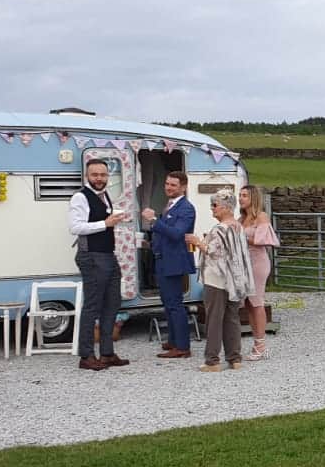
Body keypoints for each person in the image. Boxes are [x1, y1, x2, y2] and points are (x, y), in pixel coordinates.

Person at [68, 159, 130, 371]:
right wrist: (106, 223)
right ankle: (86, 355)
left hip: (107, 255)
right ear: (87, 176)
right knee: (92, 306)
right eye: (95, 175)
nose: (99, 178)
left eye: (103, 175)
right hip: (92, 256)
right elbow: (75, 227)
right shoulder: (80, 197)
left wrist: (112, 222)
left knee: (113, 303)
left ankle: (107, 352)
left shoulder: (104, 196)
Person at [190, 190, 254, 372]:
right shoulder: (238, 226)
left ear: (226, 208)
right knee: (232, 318)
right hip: (234, 279)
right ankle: (235, 358)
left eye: (215, 205)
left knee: (214, 319)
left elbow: (213, 252)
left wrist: (198, 242)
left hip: (217, 278)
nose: (212, 209)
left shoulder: (219, 229)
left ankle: (212, 360)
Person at [141, 170, 196, 359]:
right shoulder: (170, 206)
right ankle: (173, 340)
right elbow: (165, 235)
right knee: (167, 303)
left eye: (173, 185)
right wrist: (149, 243)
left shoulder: (186, 208)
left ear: (183, 187)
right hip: (163, 260)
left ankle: (182, 346)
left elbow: (176, 234)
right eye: (167, 184)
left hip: (175, 262)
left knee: (175, 304)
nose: (168, 188)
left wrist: (154, 221)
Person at [239, 185, 280, 360]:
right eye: (240, 195)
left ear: (253, 198)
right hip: (244, 263)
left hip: (257, 262)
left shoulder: (261, 217)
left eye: (244, 195)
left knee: (257, 302)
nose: (241, 198)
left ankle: (261, 345)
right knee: (248, 303)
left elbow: (263, 240)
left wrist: (240, 236)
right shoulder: (241, 219)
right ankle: (257, 342)